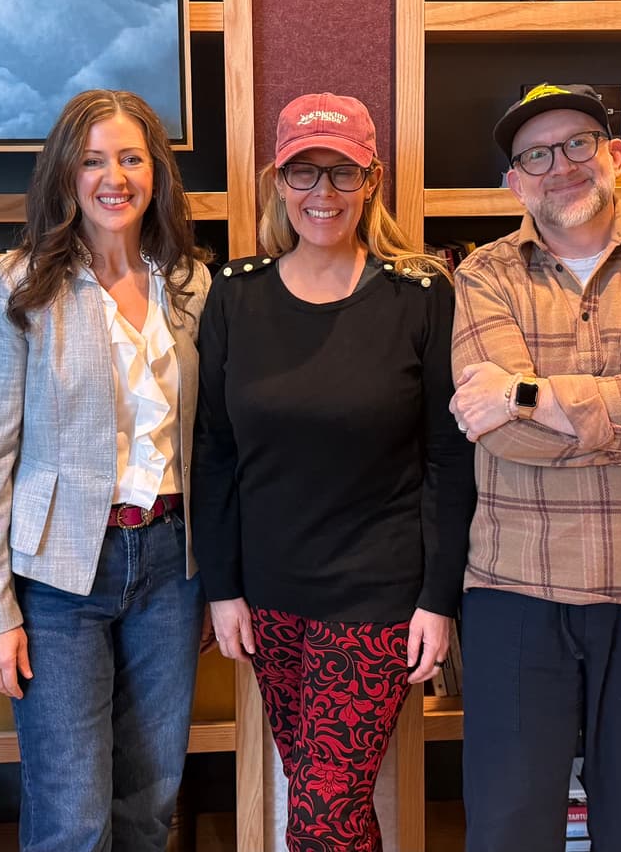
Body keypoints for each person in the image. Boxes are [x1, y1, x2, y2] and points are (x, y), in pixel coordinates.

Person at [448, 83, 621, 852]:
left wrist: (532, 394)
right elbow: (499, 434)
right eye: (534, 155)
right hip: (515, 585)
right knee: (508, 822)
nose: (560, 167)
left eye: (578, 144)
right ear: (514, 181)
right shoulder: (483, 274)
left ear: (615, 157)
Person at [192, 93, 475, 852]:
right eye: (304, 174)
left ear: (372, 179)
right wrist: (223, 590)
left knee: (323, 810)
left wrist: (437, 600)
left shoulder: (419, 298)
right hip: (270, 600)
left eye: (342, 173)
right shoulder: (234, 295)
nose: (323, 195)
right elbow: (214, 451)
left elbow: (449, 459)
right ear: (278, 182)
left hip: (378, 602)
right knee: (327, 805)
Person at [0, 89, 211, 852]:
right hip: (59, 576)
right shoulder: (17, 284)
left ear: (156, 172)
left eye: (131, 158)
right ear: (65, 174)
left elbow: (213, 442)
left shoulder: (195, 284)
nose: (114, 177)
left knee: (151, 797)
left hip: (171, 565)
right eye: (93, 159)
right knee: (73, 814)